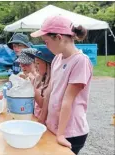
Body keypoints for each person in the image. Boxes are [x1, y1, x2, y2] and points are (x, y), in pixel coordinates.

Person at [31, 15, 93, 154]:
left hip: (70, 132)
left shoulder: (80, 61)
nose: (46, 46)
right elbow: (50, 92)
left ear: (58, 37)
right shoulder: (57, 59)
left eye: (46, 42)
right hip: (54, 126)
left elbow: (68, 100)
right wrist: (42, 119)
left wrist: (60, 134)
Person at [15, 48, 55, 120]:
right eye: (21, 64)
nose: (22, 66)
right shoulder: (37, 79)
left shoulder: (51, 83)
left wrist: (31, 86)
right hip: (35, 117)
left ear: (48, 65)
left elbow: (42, 104)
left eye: (38, 63)